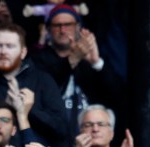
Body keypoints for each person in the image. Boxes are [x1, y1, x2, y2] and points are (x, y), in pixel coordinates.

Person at [29, 4, 122, 138]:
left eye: (68, 24)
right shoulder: (37, 58)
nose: (63, 30)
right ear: (48, 29)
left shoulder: (87, 62)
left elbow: (117, 95)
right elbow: (43, 88)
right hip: (52, 138)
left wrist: (96, 62)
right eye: (57, 25)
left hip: (90, 137)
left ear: (78, 27)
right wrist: (72, 59)